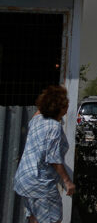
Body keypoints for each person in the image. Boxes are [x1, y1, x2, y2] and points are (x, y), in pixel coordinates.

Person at [13, 85, 75, 223]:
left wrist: (49, 98)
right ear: (59, 108)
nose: (67, 109)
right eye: (65, 106)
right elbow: (53, 158)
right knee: (53, 219)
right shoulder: (54, 127)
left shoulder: (36, 120)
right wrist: (67, 181)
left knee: (34, 218)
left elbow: (41, 109)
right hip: (40, 183)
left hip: (25, 179)